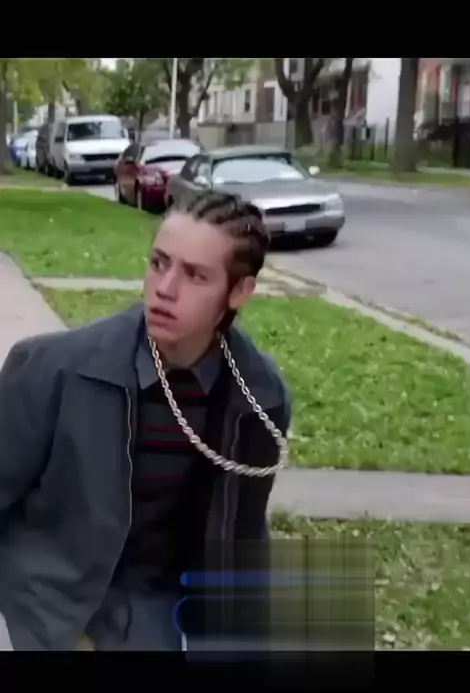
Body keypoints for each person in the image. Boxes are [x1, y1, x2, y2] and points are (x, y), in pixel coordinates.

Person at [0, 191, 291, 652]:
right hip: (39, 598)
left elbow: (238, 534)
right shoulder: (52, 368)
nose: (165, 288)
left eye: (195, 275)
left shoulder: (259, 396)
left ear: (239, 292)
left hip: (152, 608)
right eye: (159, 263)